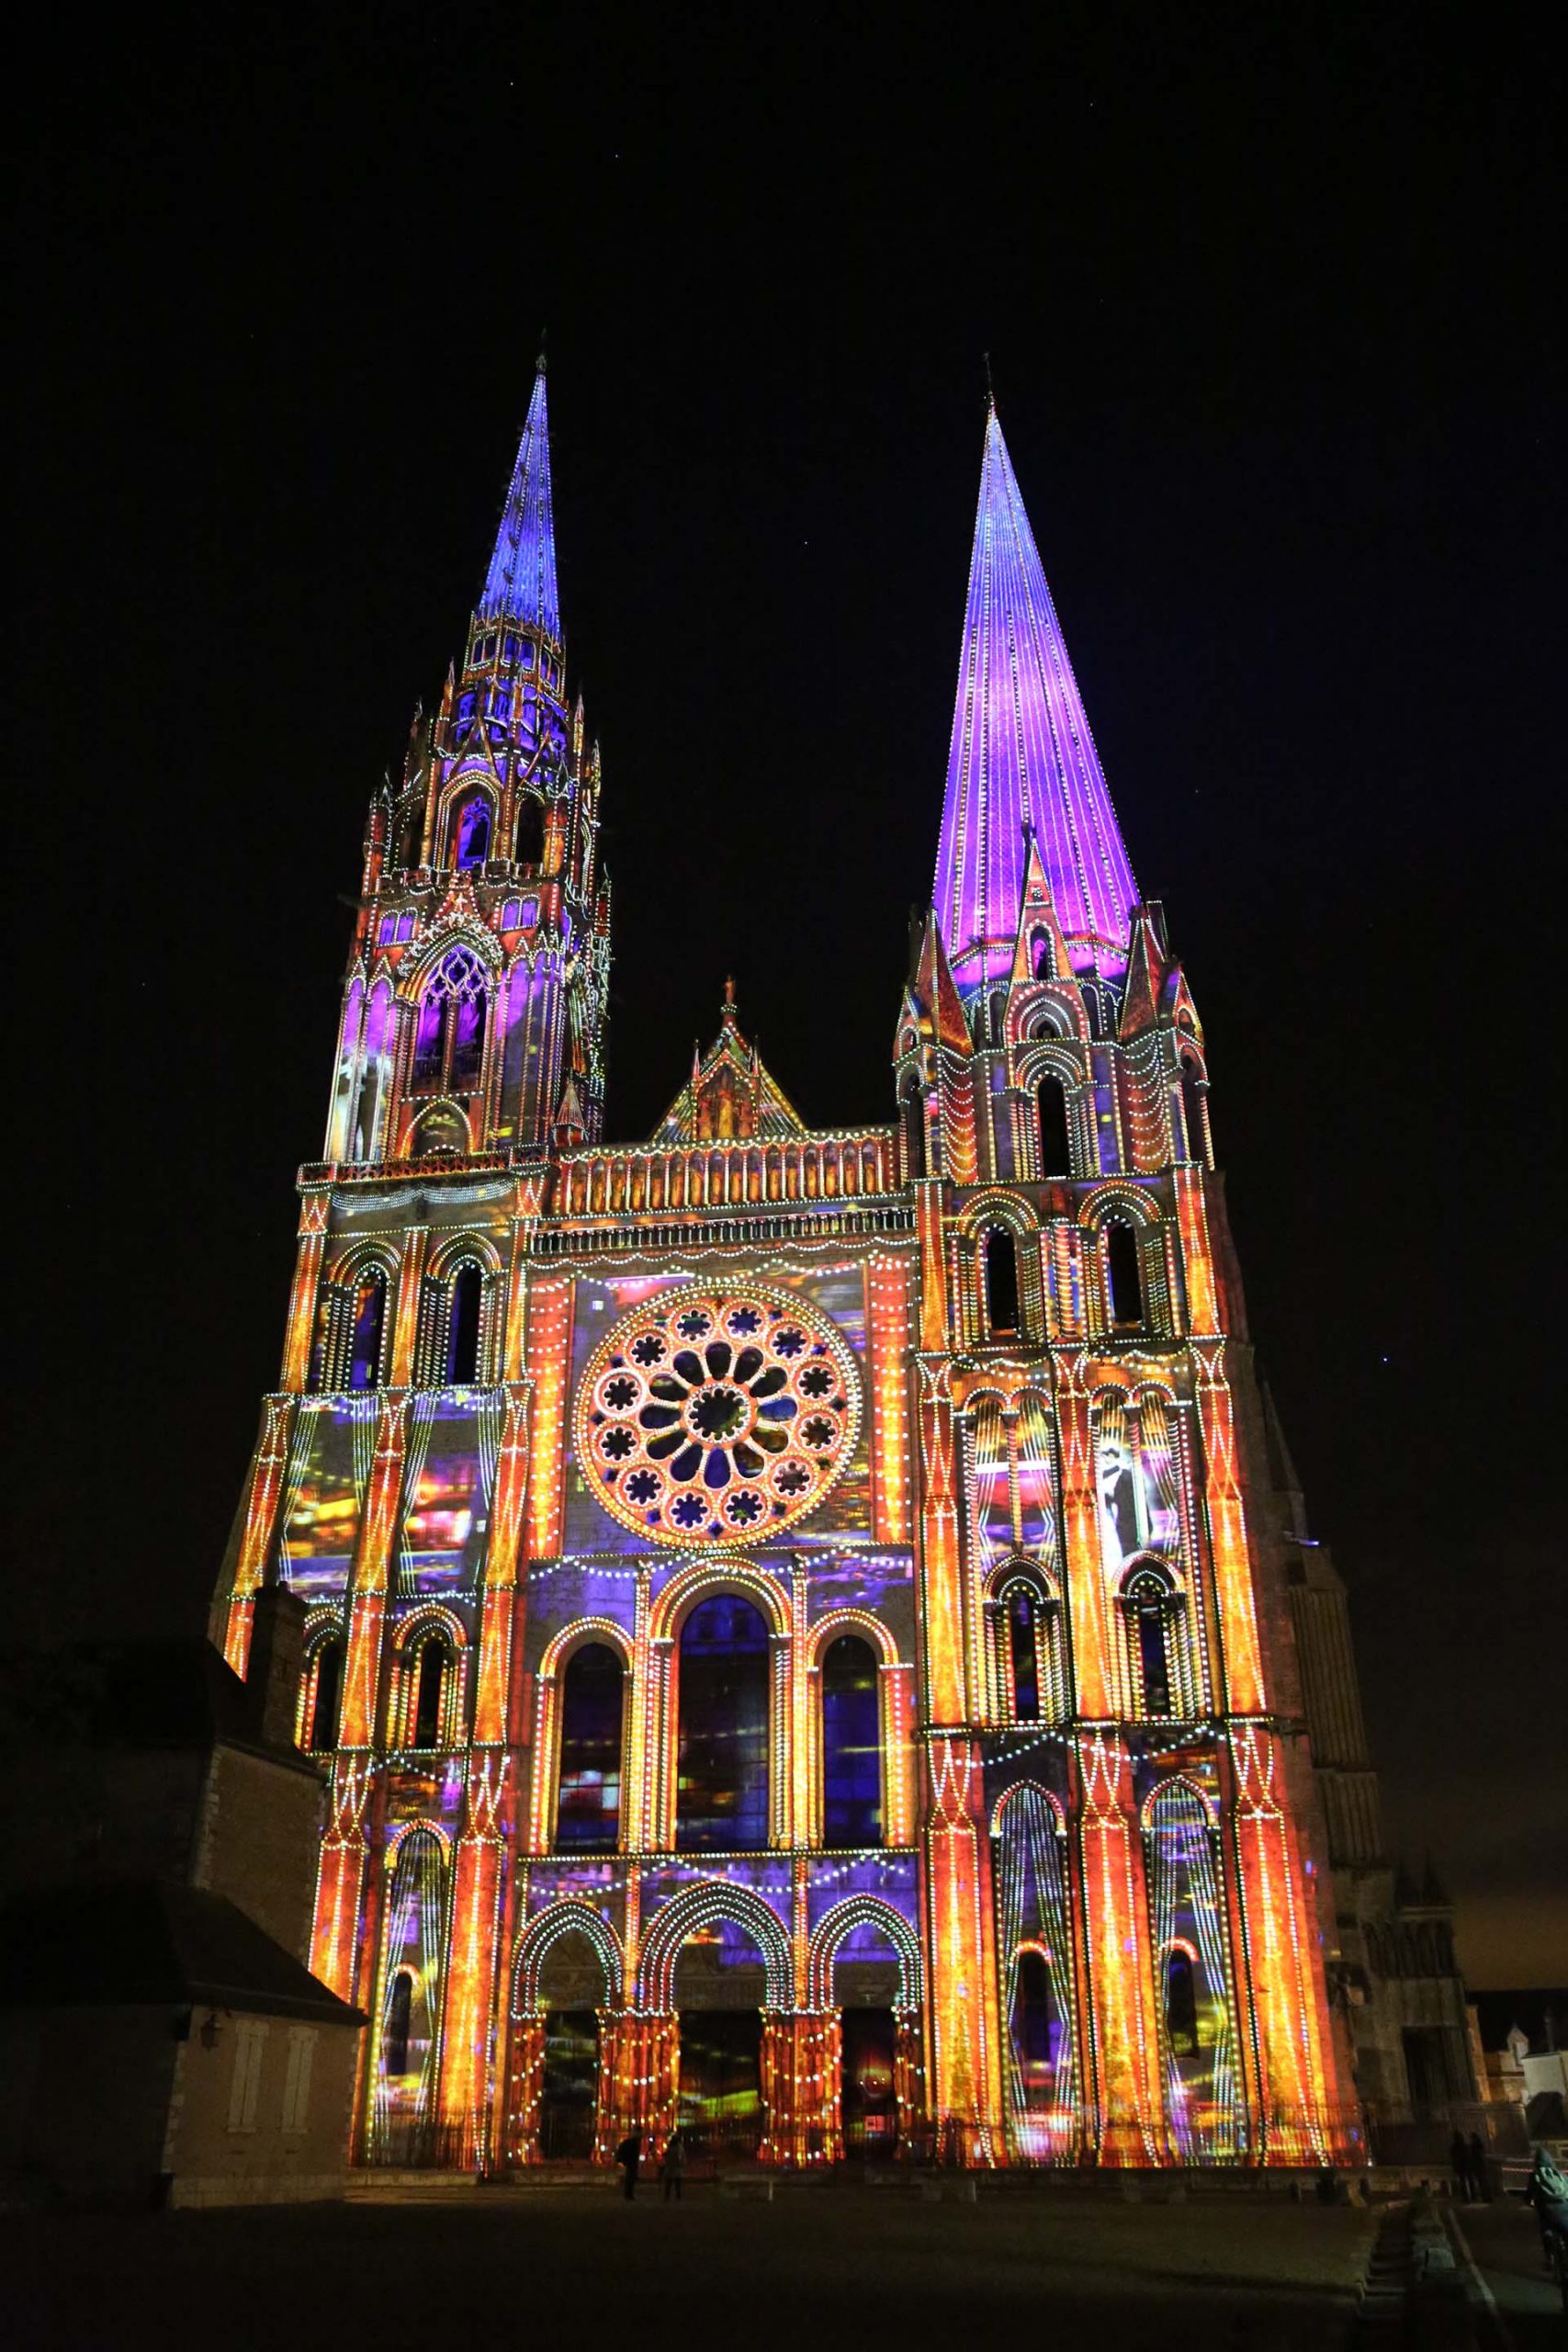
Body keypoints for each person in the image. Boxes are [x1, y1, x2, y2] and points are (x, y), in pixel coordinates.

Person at [615, 2130, 642, 2201]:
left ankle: (628, 2194)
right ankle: (629, 2194)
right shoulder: (634, 2143)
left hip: (629, 2161)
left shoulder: (630, 2142)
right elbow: (634, 2154)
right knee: (630, 2179)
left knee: (629, 2178)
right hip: (631, 2162)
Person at [660, 2130, 684, 2203]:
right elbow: (680, 2157)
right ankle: (677, 2196)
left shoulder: (672, 2147)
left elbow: (667, 2155)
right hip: (676, 2167)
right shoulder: (679, 2147)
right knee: (677, 2182)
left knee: (669, 2182)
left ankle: (668, 2195)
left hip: (671, 2166)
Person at [1468, 2131, 1490, 2202]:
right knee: (1484, 2182)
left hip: (1478, 2166)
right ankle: (1487, 2197)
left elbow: (1474, 2157)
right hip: (1481, 2166)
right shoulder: (1479, 2145)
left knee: (1482, 2183)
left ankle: (1485, 2197)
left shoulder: (1474, 2146)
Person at [1450, 2128, 1471, 2202]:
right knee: (1466, 2182)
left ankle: (1466, 2197)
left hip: (1461, 2166)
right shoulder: (1464, 2146)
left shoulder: (1456, 2147)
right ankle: (1468, 2197)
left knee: (1463, 2182)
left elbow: (1453, 2156)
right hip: (1465, 2166)